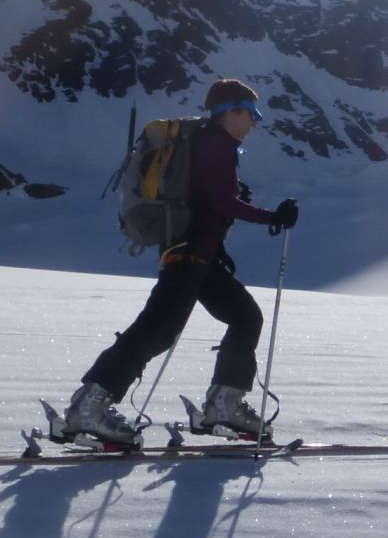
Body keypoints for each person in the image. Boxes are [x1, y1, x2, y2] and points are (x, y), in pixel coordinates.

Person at [58, 79, 300, 448]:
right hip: (190, 255)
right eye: (251, 113)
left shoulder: (207, 144)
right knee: (156, 331)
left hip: (198, 255)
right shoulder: (215, 144)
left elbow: (210, 199)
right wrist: (272, 217)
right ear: (229, 112)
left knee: (244, 316)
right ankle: (88, 408)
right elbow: (221, 202)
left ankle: (225, 404)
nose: (254, 122)